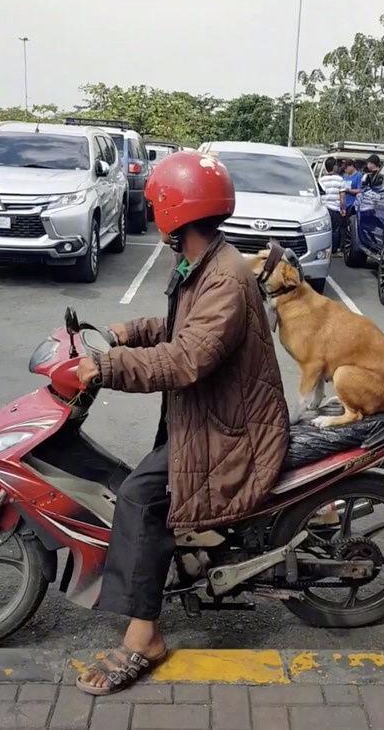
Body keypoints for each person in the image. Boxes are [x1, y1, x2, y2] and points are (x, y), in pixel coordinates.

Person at [75, 151, 289, 695]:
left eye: (155, 203)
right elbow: (178, 329)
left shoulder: (225, 277)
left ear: (174, 210)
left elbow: (187, 358)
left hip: (231, 430)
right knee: (143, 484)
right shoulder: (203, 261)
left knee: (141, 498)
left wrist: (105, 366)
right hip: (209, 415)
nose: (150, 211)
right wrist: (128, 331)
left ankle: (144, 635)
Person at [318, 157, 345, 254]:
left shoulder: (321, 180)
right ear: (334, 167)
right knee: (335, 230)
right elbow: (342, 198)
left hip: (323, 209)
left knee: (323, 230)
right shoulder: (340, 180)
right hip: (334, 209)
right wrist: (343, 209)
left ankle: (322, 250)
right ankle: (333, 252)